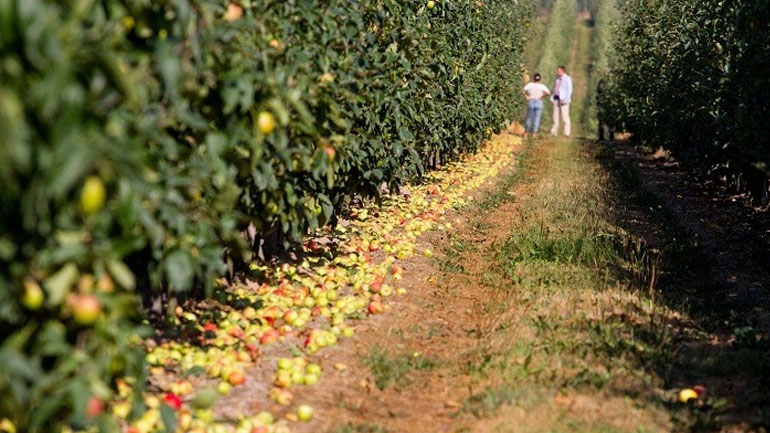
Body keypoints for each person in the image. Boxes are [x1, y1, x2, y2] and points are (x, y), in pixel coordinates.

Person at [523, 73, 551, 138]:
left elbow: (523, 90)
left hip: (531, 101)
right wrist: (542, 96)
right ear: (540, 79)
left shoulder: (530, 85)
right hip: (539, 101)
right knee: (537, 118)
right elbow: (548, 93)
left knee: (529, 117)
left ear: (534, 78)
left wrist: (526, 96)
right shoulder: (542, 86)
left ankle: (526, 133)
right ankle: (534, 133)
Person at [550, 66, 573, 137]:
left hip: (563, 99)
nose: (557, 72)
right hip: (556, 98)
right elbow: (555, 89)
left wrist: (566, 99)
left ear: (562, 71)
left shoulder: (567, 79)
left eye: (559, 71)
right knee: (555, 116)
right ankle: (554, 132)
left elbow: (569, 90)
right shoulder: (557, 79)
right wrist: (552, 98)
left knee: (565, 116)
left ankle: (566, 133)